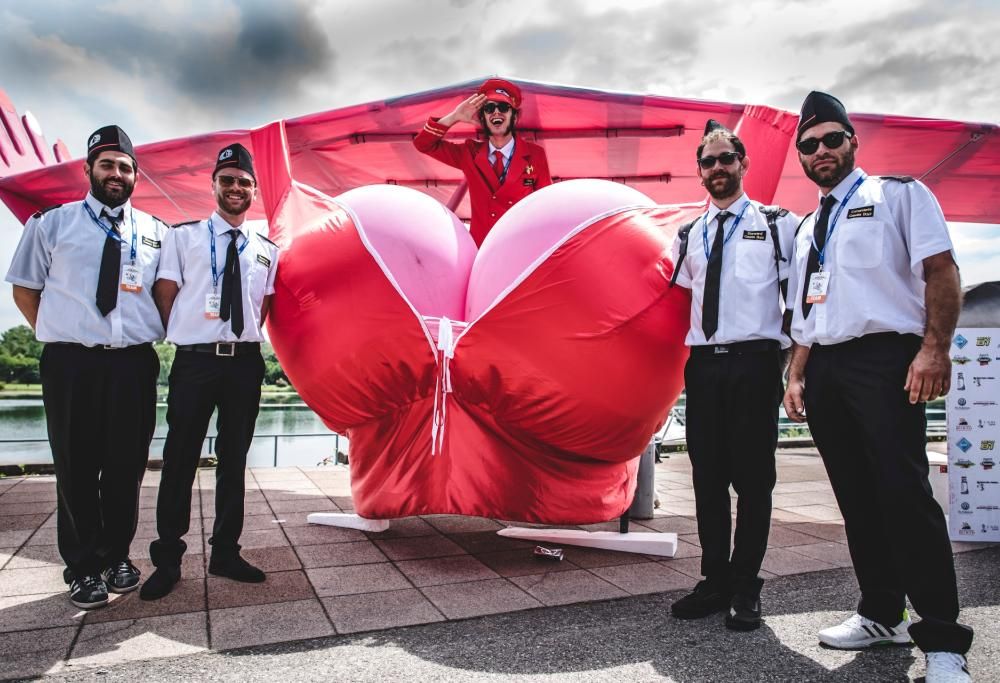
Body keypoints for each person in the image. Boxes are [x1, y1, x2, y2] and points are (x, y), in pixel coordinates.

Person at [783, 91, 973, 681]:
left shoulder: (897, 195)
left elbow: (941, 270)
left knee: (904, 495)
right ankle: (882, 614)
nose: (821, 151)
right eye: (809, 145)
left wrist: (934, 349)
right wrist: (797, 371)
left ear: (851, 141)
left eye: (831, 139)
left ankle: (943, 639)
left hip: (887, 359)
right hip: (828, 367)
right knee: (858, 499)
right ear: (802, 156)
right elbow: (809, 310)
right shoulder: (809, 225)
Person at [5, 126, 165, 609]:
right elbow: (24, 289)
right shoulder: (51, 224)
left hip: (134, 364)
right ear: (88, 170)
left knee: (126, 468)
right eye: (107, 164)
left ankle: (117, 556)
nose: (116, 173)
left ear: (136, 174)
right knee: (75, 467)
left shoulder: (157, 232)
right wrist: (63, 334)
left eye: (125, 166)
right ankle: (81, 567)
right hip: (71, 363)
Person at [667, 120, 799, 631]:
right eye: (709, 161)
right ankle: (714, 580)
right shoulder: (690, 234)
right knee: (707, 478)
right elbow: (680, 303)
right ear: (699, 172)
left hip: (756, 361)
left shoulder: (776, 223)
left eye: (727, 159)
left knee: (754, 480)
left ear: (743, 165)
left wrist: (792, 368)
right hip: (705, 367)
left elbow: (797, 302)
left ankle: (746, 583)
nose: (718, 168)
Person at [139, 143, 279, 600]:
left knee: (234, 460)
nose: (236, 188)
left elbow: (265, 304)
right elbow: (165, 292)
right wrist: (188, 332)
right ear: (214, 185)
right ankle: (168, 560)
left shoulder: (266, 250)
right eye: (228, 180)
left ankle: (225, 553)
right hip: (196, 360)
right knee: (180, 458)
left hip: (244, 363)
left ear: (254, 190)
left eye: (244, 182)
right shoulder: (183, 237)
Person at [413, 77, 552, 246]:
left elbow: (545, 205)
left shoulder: (535, 155)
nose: (496, 112)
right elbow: (423, 144)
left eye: (503, 107)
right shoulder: (469, 153)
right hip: (481, 251)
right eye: (489, 108)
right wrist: (455, 117)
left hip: (520, 249)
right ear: (483, 118)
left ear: (514, 117)